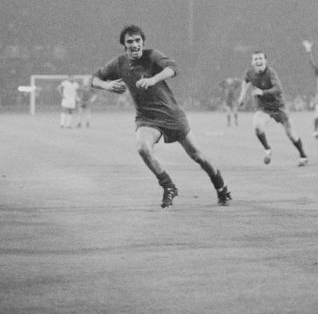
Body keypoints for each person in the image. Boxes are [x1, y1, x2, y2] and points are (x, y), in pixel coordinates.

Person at [90, 25, 231, 208]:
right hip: (146, 118)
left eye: (137, 40)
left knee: (198, 156)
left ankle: (220, 185)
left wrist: (152, 79)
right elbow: (94, 78)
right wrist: (106, 86)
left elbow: (173, 68)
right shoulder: (119, 63)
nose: (134, 45)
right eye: (130, 42)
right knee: (142, 147)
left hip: (171, 115)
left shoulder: (152, 55)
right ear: (124, 46)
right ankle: (168, 186)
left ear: (143, 42)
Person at [237, 51, 309, 167]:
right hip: (263, 107)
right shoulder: (250, 73)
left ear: (265, 61)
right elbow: (246, 81)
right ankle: (267, 149)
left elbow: (278, 89)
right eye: (256, 59)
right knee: (257, 126)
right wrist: (241, 96)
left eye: (260, 58)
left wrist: (262, 92)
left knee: (291, 133)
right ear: (252, 62)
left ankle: (303, 155)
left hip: (279, 106)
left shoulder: (270, 73)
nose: (258, 61)